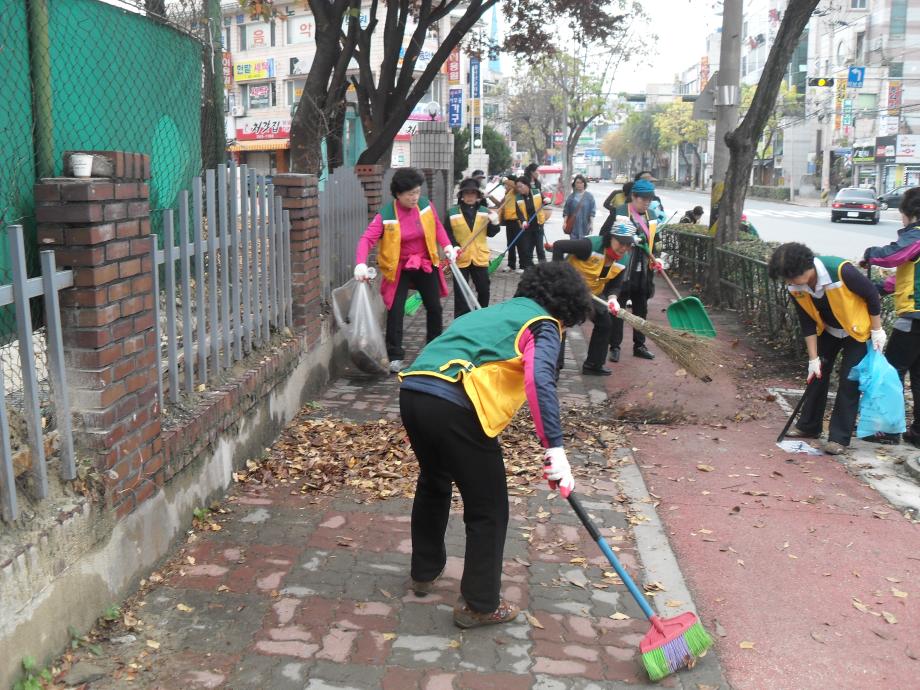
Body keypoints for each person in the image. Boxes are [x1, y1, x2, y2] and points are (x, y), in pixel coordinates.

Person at [398, 261, 592, 628]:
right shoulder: (543, 325)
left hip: (414, 390)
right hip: (455, 405)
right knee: (488, 508)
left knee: (434, 481)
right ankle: (479, 604)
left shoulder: (493, 313)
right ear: (567, 307)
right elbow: (540, 381)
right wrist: (555, 448)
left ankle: (423, 572)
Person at [767, 242, 885, 455]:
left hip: (857, 331)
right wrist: (813, 360)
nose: (789, 282)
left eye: (791, 277)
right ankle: (809, 426)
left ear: (808, 267)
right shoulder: (796, 286)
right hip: (829, 331)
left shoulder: (840, 271)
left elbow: (871, 295)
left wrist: (877, 330)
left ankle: (838, 438)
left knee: (849, 382)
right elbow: (807, 321)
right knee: (816, 377)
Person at [354, 167, 459, 374]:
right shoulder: (386, 215)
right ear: (398, 194)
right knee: (396, 308)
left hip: (424, 262)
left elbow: (437, 226)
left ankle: (434, 347)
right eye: (410, 193)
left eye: (417, 192)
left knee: (435, 307)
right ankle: (394, 355)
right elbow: (367, 239)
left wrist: (447, 246)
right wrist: (360, 263)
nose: (415, 197)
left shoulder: (425, 206)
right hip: (399, 266)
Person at [863, 186, 920, 446]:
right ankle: (917, 433)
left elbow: (895, 255)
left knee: (892, 372)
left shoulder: (916, 235)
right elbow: (908, 275)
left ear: (911, 214)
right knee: (918, 376)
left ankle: (888, 429)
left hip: (914, 318)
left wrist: (870, 255)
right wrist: (880, 288)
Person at [549, 224, 635, 375]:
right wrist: (559, 277)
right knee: (559, 323)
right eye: (621, 242)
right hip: (569, 289)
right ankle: (554, 367)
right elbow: (558, 246)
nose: (624, 248)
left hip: (593, 292)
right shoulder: (590, 246)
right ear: (610, 238)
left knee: (605, 323)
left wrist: (613, 299)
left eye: (628, 244)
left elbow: (615, 284)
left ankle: (594, 365)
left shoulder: (624, 259)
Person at [606, 178, 664, 361]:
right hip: (623, 270)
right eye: (643, 199)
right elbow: (605, 236)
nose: (646, 203)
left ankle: (639, 345)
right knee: (619, 310)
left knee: (641, 310)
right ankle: (614, 346)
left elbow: (656, 241)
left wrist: (658, 258)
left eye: (649, 200)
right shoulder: (620, 212)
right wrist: (628, 239)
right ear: (633, 197)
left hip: (643, 271)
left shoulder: (652, 216)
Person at [446, 178, 502, 316]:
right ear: (461, 196)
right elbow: (446, 233)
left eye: (473, 193)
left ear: (478, 196)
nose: (470, 196)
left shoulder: (485, 211)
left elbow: (491, 233)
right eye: (467, 193)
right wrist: (453, 246)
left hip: (479, 256)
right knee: (461, 293)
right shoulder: (452, 213)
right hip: (461, 256)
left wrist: (495, 223)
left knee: (484, 289)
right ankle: (461, 320)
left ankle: (480, 315)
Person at [515, 175, 548, 269]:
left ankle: (544, 269)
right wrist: (523, 221)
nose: (519, 189)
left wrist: (546, 200)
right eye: (517, 187)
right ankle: (529, 268)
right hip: (527, 227)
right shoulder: (518, 197)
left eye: (520, 186)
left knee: (540, 249)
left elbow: (544, 200)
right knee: (527, 249)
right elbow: (518, 212)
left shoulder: (536, 192)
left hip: (538, 225)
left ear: (527, 185)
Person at [496, 175, 523, 273]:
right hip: (509, 221)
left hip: (517, 221)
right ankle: (511, 265)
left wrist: (506, 180)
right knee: (510, 244)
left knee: (520, 243)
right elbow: (499, 204)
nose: (506, 186)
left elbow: (514, 185)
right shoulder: (507, 193)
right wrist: (489, 196)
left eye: (507, 184)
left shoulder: (516, 191)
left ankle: (522, 265)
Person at [562, 175, 597, 240]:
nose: (579, 184)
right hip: (573, 227)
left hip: (585, 226)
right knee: (574, 246)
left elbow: (592, 212)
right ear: (574, 184)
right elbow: (566, 211)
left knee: (583, 245)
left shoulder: (589, 197)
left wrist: (592, 224)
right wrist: (564, 222)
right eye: (577, 183)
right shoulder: (571, 197)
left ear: (584, 184)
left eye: (581, 182)